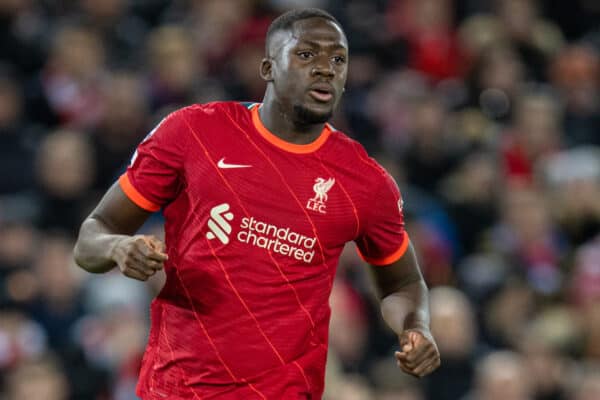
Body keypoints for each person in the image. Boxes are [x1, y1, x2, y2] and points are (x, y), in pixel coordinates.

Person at [74, 8, 440, 399]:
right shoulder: (192, 133)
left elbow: (401, 282)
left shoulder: (365, 182)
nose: (325, 69)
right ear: (267, 67)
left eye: (338, 59)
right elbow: (90, 240)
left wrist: (415, 326)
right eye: (306, 55)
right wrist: (118, 248)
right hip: (177, 391)